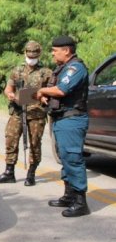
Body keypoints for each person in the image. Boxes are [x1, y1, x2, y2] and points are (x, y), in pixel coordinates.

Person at [35, 35, 90, 217]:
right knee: (65, 158)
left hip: (72, 120)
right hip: (61, 119)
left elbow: (62, 90)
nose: (52, 53)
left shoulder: (76, 68)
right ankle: (69, 195)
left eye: (55, 50)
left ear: (66, 50)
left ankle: (81, 201)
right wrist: (45, 98)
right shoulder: (62, 68)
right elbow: (58, 95)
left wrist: (42, 90)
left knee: (73, 158)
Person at [0, 41, 52, 186]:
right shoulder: (17, 70)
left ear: (39, 54)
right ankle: (9, 172)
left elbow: (51, 92)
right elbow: (8, 88)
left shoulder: (46, 72)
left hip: (36, 114)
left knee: (34, 143)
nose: (31, 58)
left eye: (34, 55)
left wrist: (44, 98)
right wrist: (10, 95)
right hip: (18, 111)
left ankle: (31, 173)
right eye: (29, 55)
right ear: (25, 53)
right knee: (11, 139)